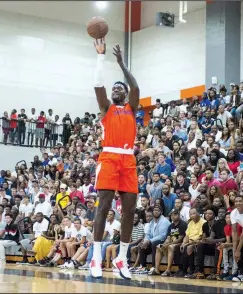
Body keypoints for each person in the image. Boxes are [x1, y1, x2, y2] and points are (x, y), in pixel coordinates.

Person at [90, 38, 140, 280]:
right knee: (104, 207)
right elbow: (98, 86)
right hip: (109, 157)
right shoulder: (106, 108)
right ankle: (96, 256)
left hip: (128, 159)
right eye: (114, 89)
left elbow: (136, 88)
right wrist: (101, 56)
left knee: (129, 210)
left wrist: (121, 64)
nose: (115, 90)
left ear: (126, 94)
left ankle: (122, 257)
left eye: (120, 88)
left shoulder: (132, 107)